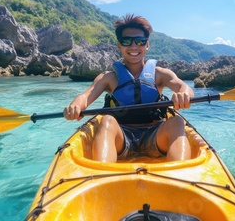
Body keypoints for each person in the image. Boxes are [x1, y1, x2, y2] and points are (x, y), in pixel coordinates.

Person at [63, 14, 194, 163]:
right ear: (119, 45)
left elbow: (184, 87)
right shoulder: (109, 78)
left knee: (177, 121)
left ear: (147, 44)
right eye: (126, 41)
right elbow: (85, 96)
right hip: (122, 138)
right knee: (106, 121)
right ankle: (103, 177)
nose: (133, 46)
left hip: (156, 137)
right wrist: (76, 105)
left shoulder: (160, 74)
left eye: (140, 41)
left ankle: (179, 178)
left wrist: (183, 95)